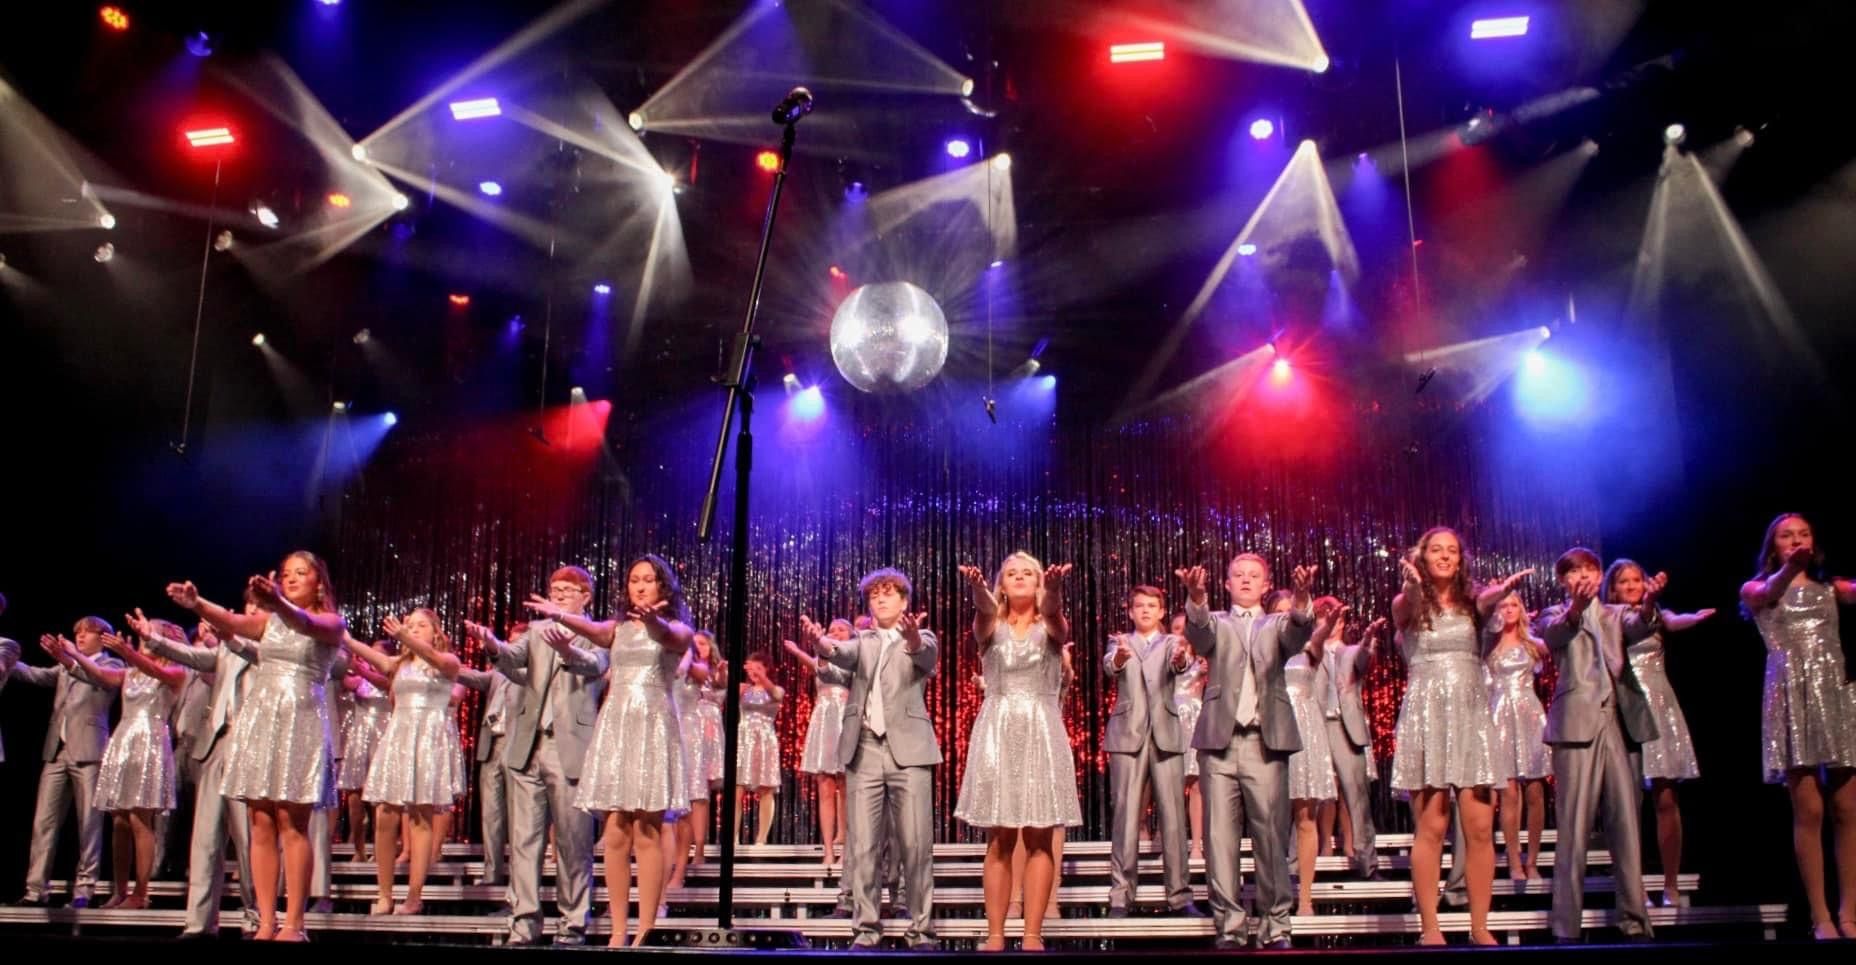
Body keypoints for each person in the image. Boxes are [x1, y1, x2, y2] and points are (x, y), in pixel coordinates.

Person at [167, 551, 348, 942]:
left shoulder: (331, 621)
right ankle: (266, 921)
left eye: (301, 573)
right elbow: (232, 622)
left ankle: (294, 923)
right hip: (262, 720)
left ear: (320, 582)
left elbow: (304, 622)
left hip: (300, 720)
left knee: (291, 822)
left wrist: (276, 600)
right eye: (285, 574)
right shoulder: (269, 620)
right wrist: (197, 603)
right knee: (260, 822)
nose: (291, 578)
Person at [529, 554, 692, 947]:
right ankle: (618, 930)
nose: (639, 585)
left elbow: (668, 637)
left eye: (648, 580)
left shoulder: (679, 630)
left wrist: (652, 619)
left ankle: (645, 927)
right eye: (634, 579)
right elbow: (592, 627)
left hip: (652, 725)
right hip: (617, 725)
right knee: (616, 830)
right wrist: (559, 614)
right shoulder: (618, 628)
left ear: (662, 587)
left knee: (647, 829)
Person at [1390, 528, 1526, 946]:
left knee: (1481, 827)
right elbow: (1404, 609)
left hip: (1470, 714)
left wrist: (1498, 592)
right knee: (1431, 825)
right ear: (1422, 556)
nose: (1445, 556)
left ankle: (1480, 925)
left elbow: (1485, 603)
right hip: (1428, 714)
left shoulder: (1474, 602)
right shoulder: (1407, 601)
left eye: (1452, 550)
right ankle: (1431, 928)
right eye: (1437, 550)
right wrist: (1414, 588)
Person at [462, 565, 609, 946]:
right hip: (527, 745)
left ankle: (572, 923)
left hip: (569, 747)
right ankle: (524, 922)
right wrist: (493, 645)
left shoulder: (598, 633)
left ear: (585, 596)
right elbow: (512, 662)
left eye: (567, 589)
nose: (558, 594)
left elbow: (596, 666)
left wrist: (567, 647)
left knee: (573, 842)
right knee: (524, 840)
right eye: (554, 588)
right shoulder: (536, 631)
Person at [1178, 555, 1318, 950]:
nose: (1245, 580)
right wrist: (1195, 598)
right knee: (1219, 839)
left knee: (1271, 837)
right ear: (1226, 583)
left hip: (1265, 741)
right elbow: (1201, 637)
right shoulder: (1215, 621)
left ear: (1265, 583)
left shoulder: (1278, 624)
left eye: (1253, 575)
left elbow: (1296, 637)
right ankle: (1229, 927)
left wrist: (1303, 599)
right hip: (1219, 744)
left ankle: (1275, 925)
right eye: (1238, 574)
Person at [801, 566, 940, 950]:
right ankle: (865, 928)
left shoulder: (922, 636)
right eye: (875, 594)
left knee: (915, 844)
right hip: (863, 749)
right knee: (862, 845)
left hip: (908, 752)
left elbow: (924, 655)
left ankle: (921, 928)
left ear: (904, 601)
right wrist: (821, 644)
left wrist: (911, 637)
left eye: (889, 593)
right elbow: (838, 653)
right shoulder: (862, 640)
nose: (880, 599)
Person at [954, 553, 1082, 951]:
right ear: (1002, 585)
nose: (1021, 578)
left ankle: (1031, 933)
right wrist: (977, 589)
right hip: (998, 728)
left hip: (1041, 729)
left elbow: (1057, 621)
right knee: (1000, 838)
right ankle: (995, 933)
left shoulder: (1051, 625)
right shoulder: (990, 624)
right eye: (1013, 573)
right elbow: (982, 618)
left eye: (1029, 573)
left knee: (1041, 835)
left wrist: (1056, 590)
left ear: (1040, 582)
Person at [1741, 513, 1856, 941]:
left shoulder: (1831, 587)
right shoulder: (1757, 588)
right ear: (1774, 546)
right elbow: (1766, 593)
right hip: (1790, 695)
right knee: (1809, 809)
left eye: (1804, 534)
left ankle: (1850, 912)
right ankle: (1820, 914)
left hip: (1834, 693)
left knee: (1847, 809)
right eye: (1787, 536)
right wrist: (1791, 566)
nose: (1797, 540)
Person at [1537, 547, 1659, 943]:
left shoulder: (1614, 613)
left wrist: (1651, 603)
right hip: (1575, 724)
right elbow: (1555, 635)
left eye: (1589, 569)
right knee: (1574, 827)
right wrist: (1576, 607)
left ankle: (1635, 920)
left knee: (1626, 823)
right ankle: (1566, 926)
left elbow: (1641, 625)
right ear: (1563, 581)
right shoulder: (1554, 614)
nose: (1583, 576)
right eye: (1573, 572)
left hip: (1617, 723)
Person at [140, 601, 259, 937]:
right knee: (204, 840)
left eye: (255, 609)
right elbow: (190, 657)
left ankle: (255, 917)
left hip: (247, 746)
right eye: (246, 607)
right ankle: (200, 923)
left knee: (248, 841)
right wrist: (154, 639)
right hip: (214, 744)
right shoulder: (223, 650)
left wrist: (226, 637)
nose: (248, 614)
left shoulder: (268, 648)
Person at [1605, 558, 1713, 909]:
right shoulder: (1609, 616)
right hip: (1627, 708)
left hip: (1661, 707)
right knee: (1629, 804)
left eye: (1638, 579)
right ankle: (1633, 886)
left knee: (1666, 799)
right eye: (1625, 581)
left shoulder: (1656, 614)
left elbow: (1670, 620)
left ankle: (1670, 885)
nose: (1633, 586)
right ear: (1613, 588)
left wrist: (1694, 618)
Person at [345, 610, 467, 916]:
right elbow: (375, 659)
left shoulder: (448, 661)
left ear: (436, 633)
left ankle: (414, 896)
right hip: (399, 738)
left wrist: (403, 636)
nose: (412, 629)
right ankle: (384, 894)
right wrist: (344, 638)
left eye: (420, 626)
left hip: (428, 740)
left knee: (420, 818)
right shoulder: (399, 664)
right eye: (408, 625)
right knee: (385, 815)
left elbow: (444, 667)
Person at [1102, 584, 1199, 918]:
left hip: (1166, 733)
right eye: (1139, 606)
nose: (1145, 610)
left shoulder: (1173, 642)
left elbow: (1181, 665)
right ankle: (1120, 896)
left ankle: (1180, 896)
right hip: (1127, 734)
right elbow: (1109, 666)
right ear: (1130, 612)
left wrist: (1181, 658)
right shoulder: (1120, 642)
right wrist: (1118, 657)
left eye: (1152, 606)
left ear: (1161, 612)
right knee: (1125, 816)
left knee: (1173, 817)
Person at [12, 616, 121, 909]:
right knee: (43, 822)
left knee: (89, 824)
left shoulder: (112, 665)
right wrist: (9, 660)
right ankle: (36, 890)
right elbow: (37, 676)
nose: (81, 637)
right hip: (56, 751)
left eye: (87, 633)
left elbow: (96, 677)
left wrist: (71, 657)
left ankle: (84, 890)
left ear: (103, 637)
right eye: (78, 633)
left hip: (89, 751)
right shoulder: (65, 664)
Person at [88, 622, 187, 909]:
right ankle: (120, 889)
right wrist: (71, 656)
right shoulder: (129, 672)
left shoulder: (176, 671)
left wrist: (128, 651)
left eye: (150, 634)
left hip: (150, 742)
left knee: (139, 819)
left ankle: (141, 892)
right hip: (123, 741)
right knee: (118, 820)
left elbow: (155, 670)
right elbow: (101, 674)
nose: (144, 638)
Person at [1484, 592, 1551, 882]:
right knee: (1508, 792)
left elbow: (1560, 647)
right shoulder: (1489, 644)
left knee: (1536, 790)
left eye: (1514, 605)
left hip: (1530, 715)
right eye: (1503, 605)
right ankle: (1513, 859)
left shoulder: (1532, 644)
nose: (1509, 609)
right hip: (1499, 715)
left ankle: (1532, 860)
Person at [784, 622, 852, 867]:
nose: (835, 632)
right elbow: (812, 663)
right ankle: (827, 848)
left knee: (845, 787)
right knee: (825, 787)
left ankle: (846, 847)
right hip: (824, 720)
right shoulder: (822, 659)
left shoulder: (854, 658)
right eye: (832, 629)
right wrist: (796, 649)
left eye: (841, 630)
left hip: (845, 718)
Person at [457, 658, 522, 896]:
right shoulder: (497, 674)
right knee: (491, 813)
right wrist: (433, 658)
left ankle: (519, 878)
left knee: (519, 816)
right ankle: (492, 872)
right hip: (492, 744)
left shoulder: (532, 672)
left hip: (517, 745)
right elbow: (469, 675)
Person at [735, 650, 784, 846]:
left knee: (766, 789)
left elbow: (775, 694)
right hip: (743, 739)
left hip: (765, 741)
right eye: (751, 666)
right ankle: (733, 839)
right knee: (737, 789)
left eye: (759, 667)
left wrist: (761, 676)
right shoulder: (742, 689)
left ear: (767, 669)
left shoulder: (775, 689)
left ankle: (761, 839)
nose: (754, 671)